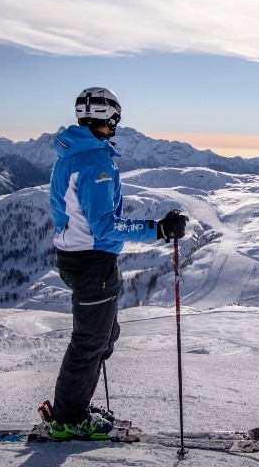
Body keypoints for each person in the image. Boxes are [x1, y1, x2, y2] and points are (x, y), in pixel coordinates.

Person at [48, 87, 188, 439]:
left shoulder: (74, 153)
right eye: (116, 120)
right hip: (91, 261)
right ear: (109, 118)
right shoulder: (95, 161)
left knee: (104, 334)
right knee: (90, 342)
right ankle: (69, 418)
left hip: (81, 257)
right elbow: (105, 226)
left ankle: (75, 406)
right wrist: (157, 229)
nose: (117, 126)